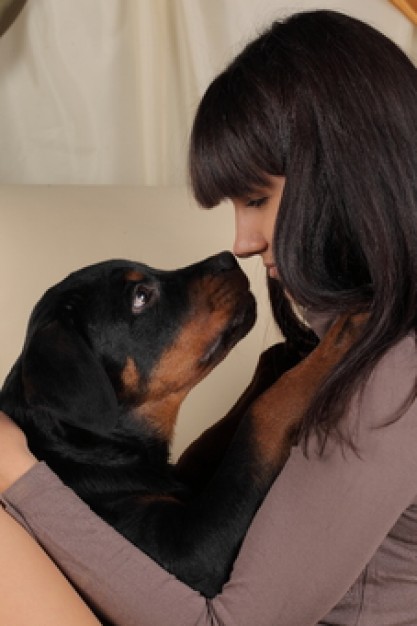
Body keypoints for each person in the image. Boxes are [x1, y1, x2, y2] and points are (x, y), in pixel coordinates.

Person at [1, 8, 417, 625]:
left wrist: (19, 477)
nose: (242, 242)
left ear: (341, 173)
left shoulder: (390, 368)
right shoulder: (361, 342)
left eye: (256, 199)